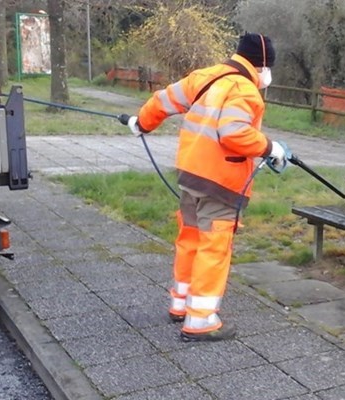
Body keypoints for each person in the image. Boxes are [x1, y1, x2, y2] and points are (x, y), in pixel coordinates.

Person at [125, 33, 289, 342]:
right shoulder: (246, 90)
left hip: (190, 175)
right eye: (269, 69)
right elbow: (234, 132)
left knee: (189, 239)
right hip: (220, 183)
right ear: (263, 66)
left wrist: (142, 123)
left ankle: (181, 304)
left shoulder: (205, 77)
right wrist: (270, 148)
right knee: (214, 248)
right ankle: (200, 320)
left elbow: (162, 100)